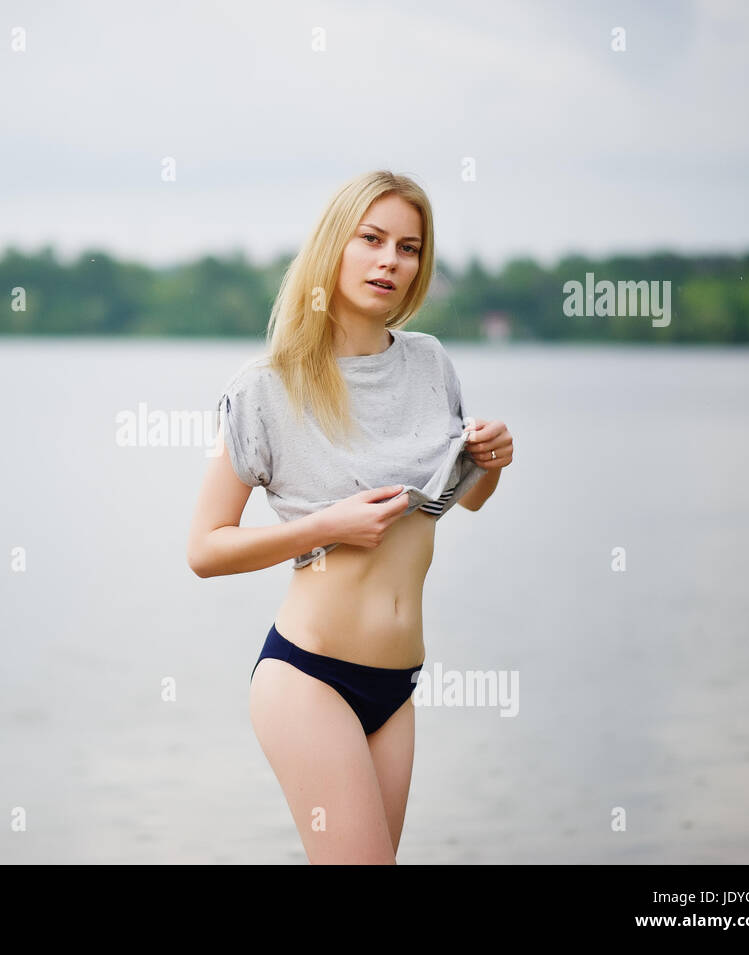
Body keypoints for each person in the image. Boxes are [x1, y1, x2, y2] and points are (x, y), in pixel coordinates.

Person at [186, 170, 514, 864]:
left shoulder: (431, 364)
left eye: (409, 247)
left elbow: (460, 499)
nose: (390, 260)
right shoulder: (268, 387)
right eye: (372, 239)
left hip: (395, 688)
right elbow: (205, 549)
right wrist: (323, 527)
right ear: (334, 246)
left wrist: (491, 459)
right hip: (309, 677)